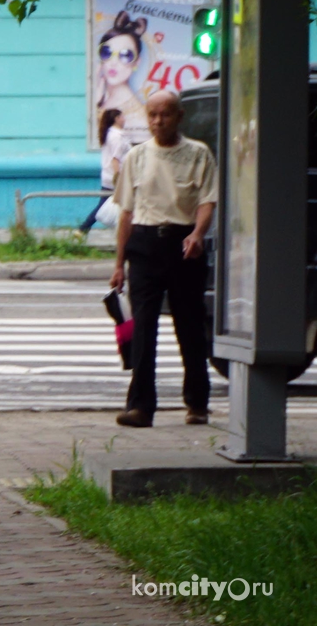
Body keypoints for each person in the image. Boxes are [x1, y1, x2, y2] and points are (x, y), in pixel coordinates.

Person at [108, 90, 216, 428]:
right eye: (152, 115)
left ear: (179, 116)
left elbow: (207, 201)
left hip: (184, 247)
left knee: (190, 327)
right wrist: (119, 264)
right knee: (143, 328)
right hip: (144, 245)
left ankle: (197, 403)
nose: (158, 121)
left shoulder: (198, 154)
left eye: (165, 114)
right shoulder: (137, 157)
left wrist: (198, 234)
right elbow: (125, 212)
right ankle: (141, 406)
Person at [94, 11, 150, 145]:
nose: (114, 62)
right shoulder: (101, 99)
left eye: (125, 55)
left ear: (137, 62)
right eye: (107, 52)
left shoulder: (138, 118)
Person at [79, 107, 131, 234]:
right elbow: (115, 159)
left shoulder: (110, 134)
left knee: (104, 205)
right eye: (122, 117)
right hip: (116, 178)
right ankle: (82, 229)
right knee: (105, 206)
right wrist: (117, 178)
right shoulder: (117, 136)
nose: (124, 119)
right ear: (117, 119)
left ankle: (82, 230)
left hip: (109, 176)